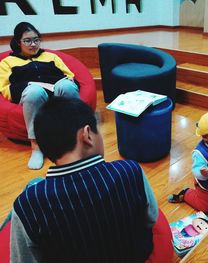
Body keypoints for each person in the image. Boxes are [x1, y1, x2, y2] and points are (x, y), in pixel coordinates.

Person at [10, 97, 173, 263]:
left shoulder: (27, 204)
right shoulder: (131, 170)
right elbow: (151, 218)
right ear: (87, 135)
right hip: (134, 255)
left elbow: (22, 259)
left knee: (33, 185)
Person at [0, 22, 80, 170]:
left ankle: (74, 136)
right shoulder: (7, 62)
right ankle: (36, 146)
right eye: (27, 40)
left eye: (36, 40)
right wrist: (30, 86)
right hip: (31, 94)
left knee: (68, 86)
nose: (33, 44)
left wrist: (68, 80)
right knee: (35, 91)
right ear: (18, 42)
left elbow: (69, 74)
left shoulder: (51, 56)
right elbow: (4, 88)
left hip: (56, 90)